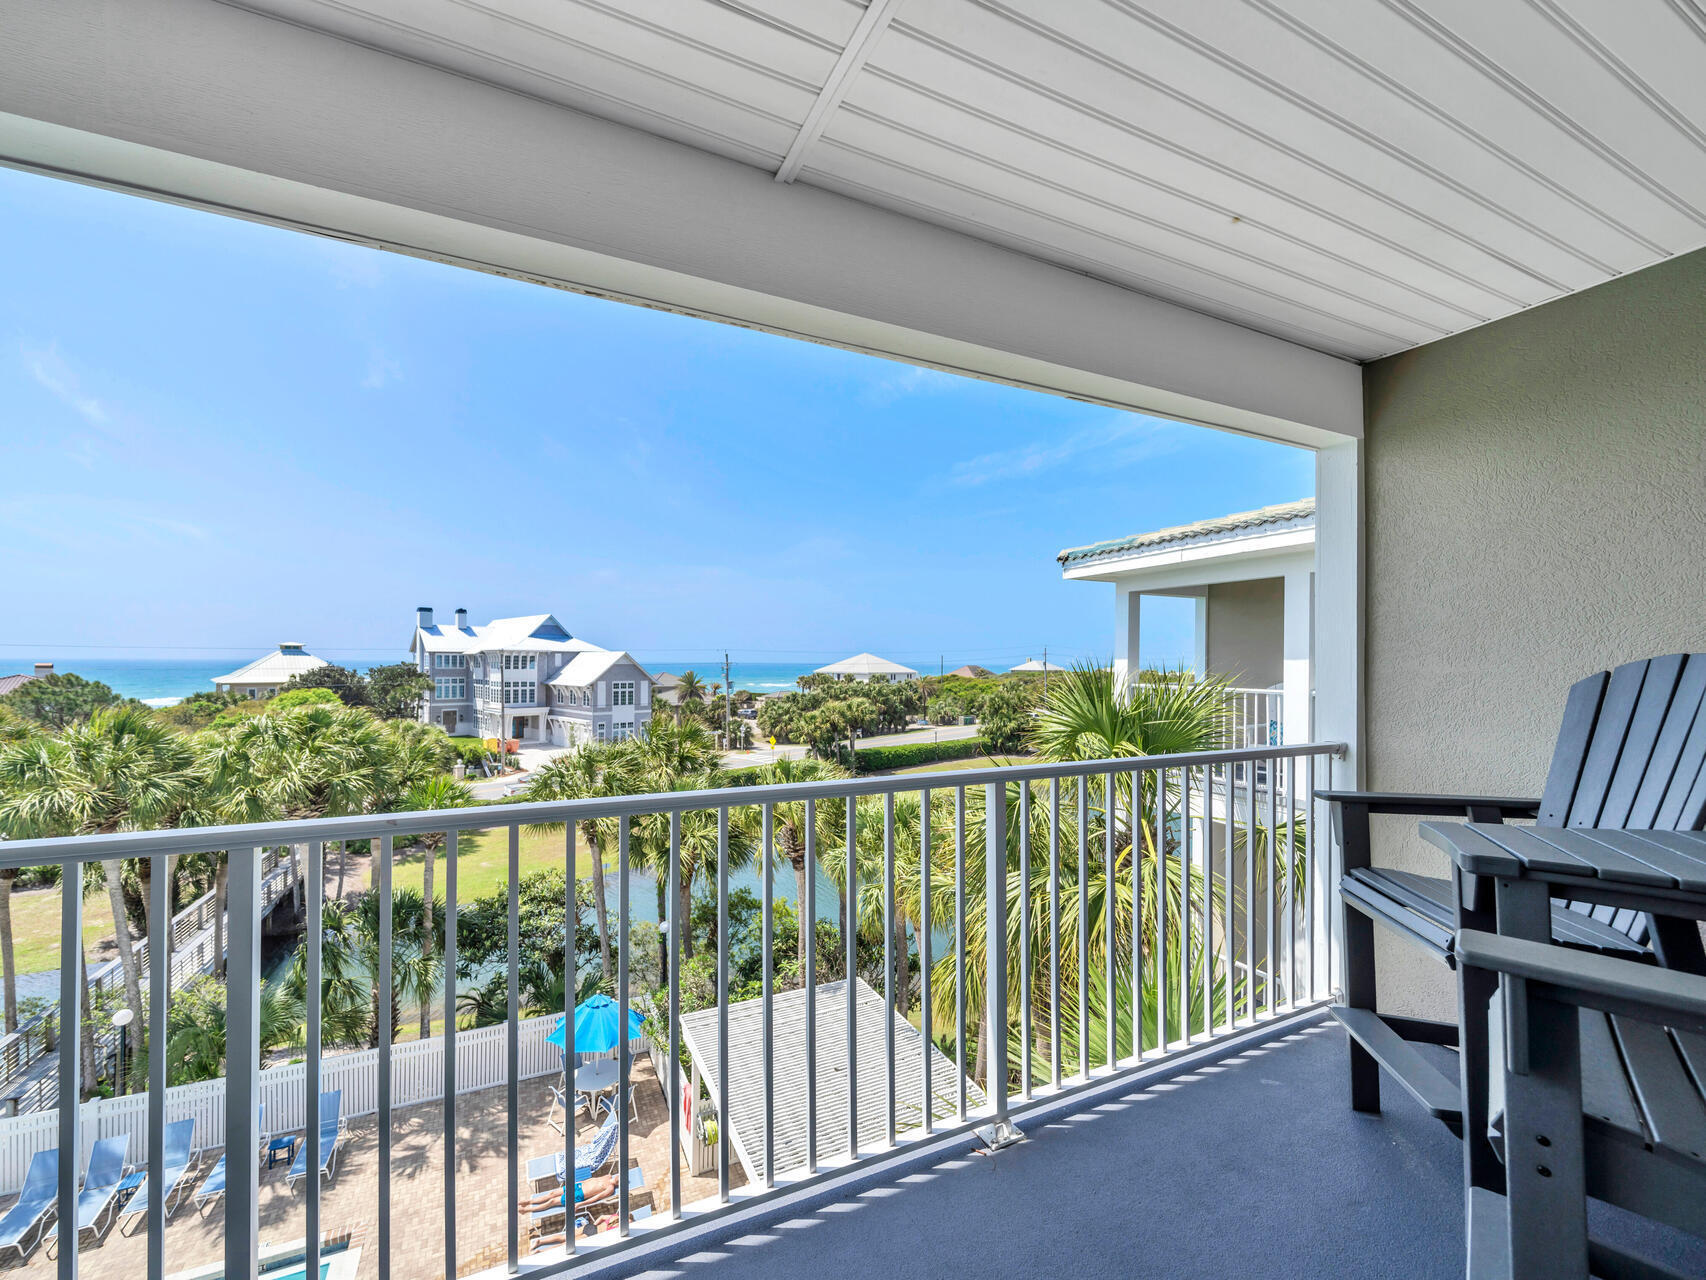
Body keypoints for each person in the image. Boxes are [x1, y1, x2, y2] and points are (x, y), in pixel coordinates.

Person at [517, 1172, 617, 1217]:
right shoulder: (608, 1176)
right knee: (552, 1193)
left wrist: (580, 1204)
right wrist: (578, 1182)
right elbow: (591, 1180)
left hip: (579, 1195)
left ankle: (526, 1210)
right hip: (578, 1186)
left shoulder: (610, 1188)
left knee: (553, 1201)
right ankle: (529, 1202)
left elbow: (596, 1198)